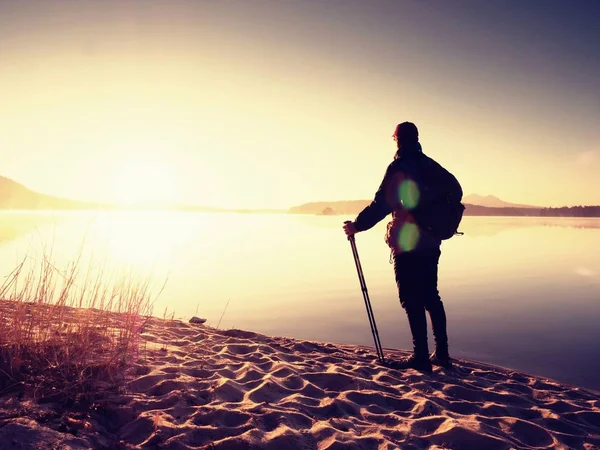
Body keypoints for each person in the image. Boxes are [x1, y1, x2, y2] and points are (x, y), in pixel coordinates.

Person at [343, 122, 453, 372]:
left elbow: (382, 204)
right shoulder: (431, 166)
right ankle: (442, 354)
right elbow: (456, 188)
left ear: (397, 140)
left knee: (410, 298)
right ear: (417, 139)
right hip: (432, 240)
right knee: (431, 296)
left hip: (407, 243)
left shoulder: (400, 166)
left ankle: (421, 358)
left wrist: (357, 226)